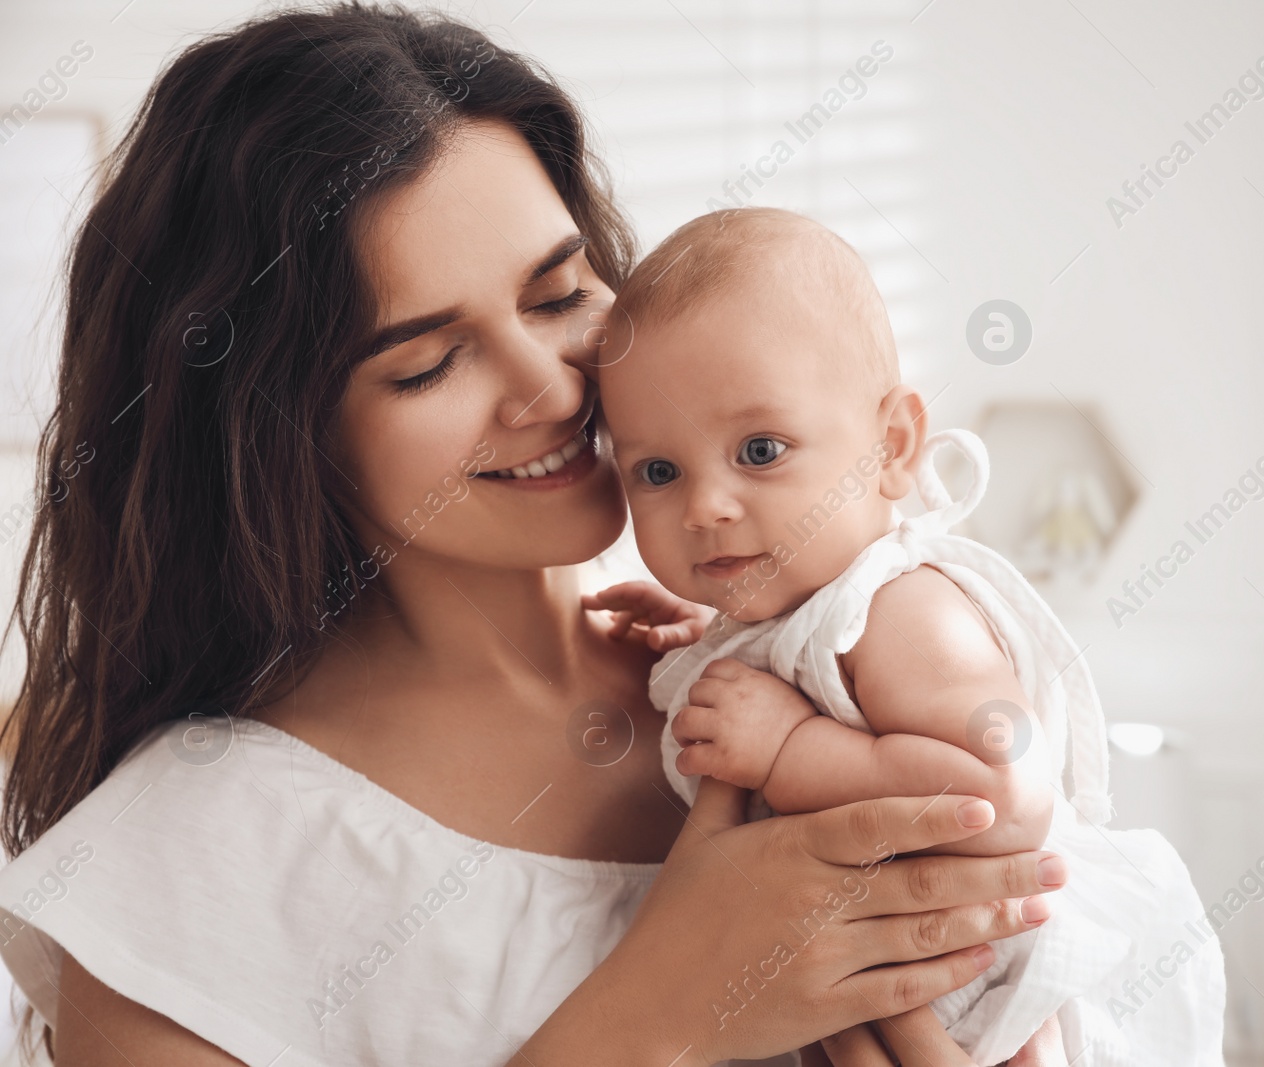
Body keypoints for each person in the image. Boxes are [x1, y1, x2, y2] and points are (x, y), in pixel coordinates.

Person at [0, 5, 1071, 1065]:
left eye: (560, 294)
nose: (552, 388)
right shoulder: (188, 866)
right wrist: (657, 1012)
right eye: (428, 363)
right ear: (276, 434)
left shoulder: (811, 656)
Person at [588, 209, 1226, 1065]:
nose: (705, 506)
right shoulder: (807, 614)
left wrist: (789, 744)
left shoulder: (904, 609)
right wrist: (716, 643)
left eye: (761, 448)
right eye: (658, 471)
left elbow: (1002, 796)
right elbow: (819, 668)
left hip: (989, 999)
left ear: (891, 446)